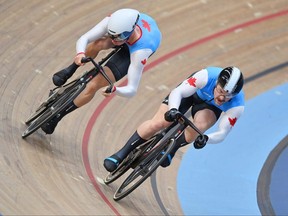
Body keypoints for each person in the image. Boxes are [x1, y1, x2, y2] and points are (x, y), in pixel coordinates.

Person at [41, 8, 162, 134]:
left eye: (119, 37)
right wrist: (80, 54)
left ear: (131, 31)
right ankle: (71, 69)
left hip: (134, 48)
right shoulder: (112, 22)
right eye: (112, 35)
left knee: (94, 84)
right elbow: (85, 38)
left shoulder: (141, 51)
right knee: (98, 43)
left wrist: (115, 89)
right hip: (126, 34)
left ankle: (57, 116)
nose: (115, 40)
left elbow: (132, 89)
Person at [104, 66, 245, 171]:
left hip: (209, 108)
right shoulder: (206, 76)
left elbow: (223, 133)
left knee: (198, 128)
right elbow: (178, 92)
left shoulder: (237, 105)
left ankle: (172, 148)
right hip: (191, 94)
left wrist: (206, 139)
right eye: (220, 91)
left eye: (228, 96)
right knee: (160, 122)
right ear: (216, 84)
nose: (222, 98)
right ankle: (121, 153)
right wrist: (172, 109)